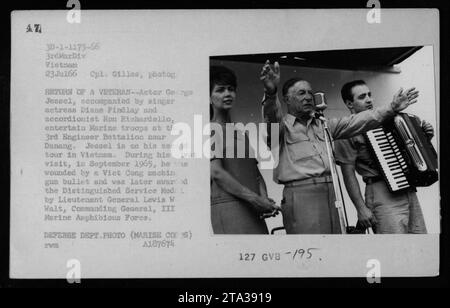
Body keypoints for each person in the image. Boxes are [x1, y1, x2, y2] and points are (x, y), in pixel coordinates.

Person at [260, 60, 419, 234]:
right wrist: (270, 92)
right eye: (301, 93)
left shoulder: (324, 125)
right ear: (287, 99)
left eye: (310, 93)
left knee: (335, 245)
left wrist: (392, 108)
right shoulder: (282, 129)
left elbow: (358, 120)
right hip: (301, 194)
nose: (307, 97)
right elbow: (271, 118)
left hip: (331, 192)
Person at [334, 80, 434, 234]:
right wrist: (361, 208)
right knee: (394, 249)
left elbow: (408, 154)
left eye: (369, 95)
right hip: (380, 193)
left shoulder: (387, 121)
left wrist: (425, 138)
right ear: (349, 104)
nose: (368, 99)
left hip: (408, 190)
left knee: (418, 243)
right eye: (361, 97)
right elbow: (348, 175)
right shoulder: (346, 132)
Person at [209, 65, 281, 234]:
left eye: (231, 89)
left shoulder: (240, 133)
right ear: (209, 97)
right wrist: (256, 200)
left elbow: (255, 173)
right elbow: (217, 173)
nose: (227, 94)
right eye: (220, 90)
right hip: (229, 207)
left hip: (253, 209)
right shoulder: (208, 130)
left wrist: (264, 199)